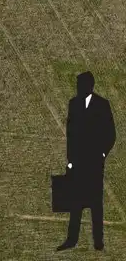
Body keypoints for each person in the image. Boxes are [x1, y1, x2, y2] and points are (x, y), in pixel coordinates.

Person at [65, 71, 115, 251]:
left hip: (94, 163)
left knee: (95, 203)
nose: (78, 88)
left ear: (89, 86)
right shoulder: (74, 104)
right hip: (78, 162)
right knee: (76, 202)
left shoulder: (102, 105)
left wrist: (102, 154)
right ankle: (72, 239)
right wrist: (70, 160)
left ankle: (98, 242)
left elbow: (111, 134)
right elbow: (70, 134)